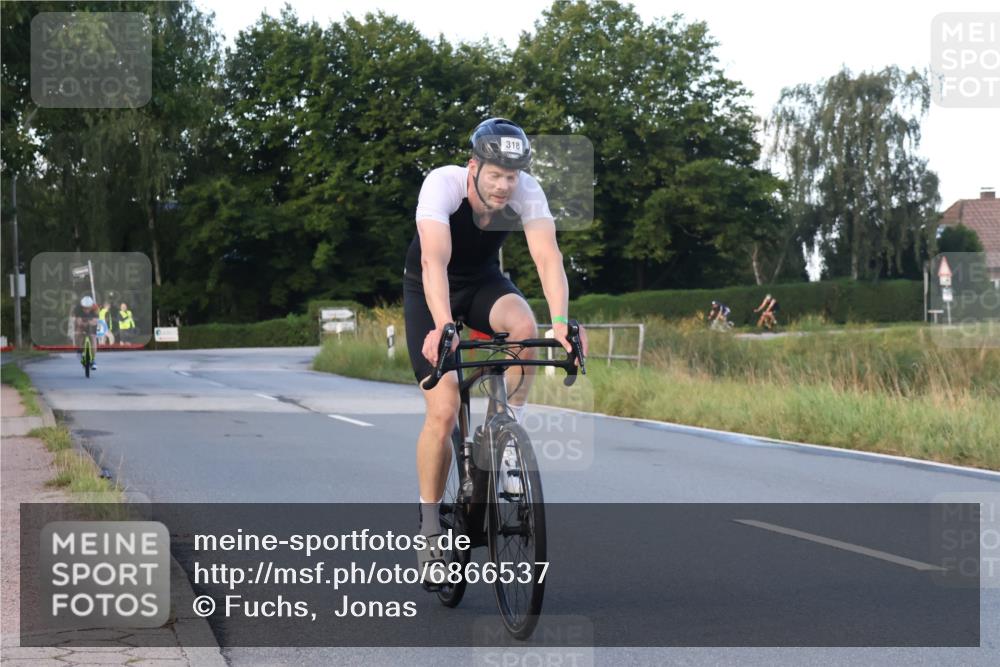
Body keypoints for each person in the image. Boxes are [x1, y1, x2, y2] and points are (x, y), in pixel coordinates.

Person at [403, 118, 588, 588]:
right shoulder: (442, 185)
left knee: (525, 326)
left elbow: (548, 257)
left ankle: (504, 440)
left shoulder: (527, 191)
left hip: (484, 281)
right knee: (443, 411)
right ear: (474, 167)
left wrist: (562, 326)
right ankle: (428, 534)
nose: (505, 186)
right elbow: (434, 261)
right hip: (431, 290)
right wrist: (444, 326)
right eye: (495, 175)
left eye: (512, 176)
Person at [73, 295, 99, 370]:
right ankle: (79, 350)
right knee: (78, 333)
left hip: (91, 321)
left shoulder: (95, 308)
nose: (86, 309)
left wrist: (89, 323)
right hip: (81, 319)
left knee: (93, 337)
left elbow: (95, 321)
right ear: (82, 305)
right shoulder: (78, 308)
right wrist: (81, 324)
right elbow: (77, 320)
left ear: (91, 306)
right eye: (84, 308)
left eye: (88, 308)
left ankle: (93, 360)